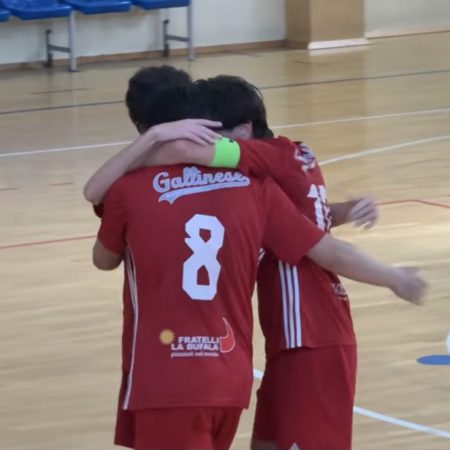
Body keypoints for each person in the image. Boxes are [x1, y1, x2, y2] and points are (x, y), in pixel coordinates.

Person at [87, 67, 426, 450]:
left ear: (243, 130)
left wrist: (394, 277)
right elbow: (311, 223)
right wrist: (347, 213)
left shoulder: (249, 164)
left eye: (213, 132)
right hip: (259, 356)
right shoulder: (277, 168)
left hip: (302, 336)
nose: (207, 141)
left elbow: (165, 161)